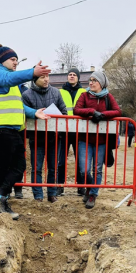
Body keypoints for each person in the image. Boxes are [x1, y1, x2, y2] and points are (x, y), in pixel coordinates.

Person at [0, 44, 50, 219]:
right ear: (3, 59)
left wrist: (34, 112)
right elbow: (6, 79)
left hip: (10, 128)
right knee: (5, 167)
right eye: (13, 59)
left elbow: (16, 104)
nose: (15, 63)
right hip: (0, 127)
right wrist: (32, 72)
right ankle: (1, 200)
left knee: (17, 166)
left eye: (16, 60)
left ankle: (0, 198)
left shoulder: (10, 78)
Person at [74, 71, 121, 209]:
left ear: (101, 83)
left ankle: (93, 194)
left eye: (95, 80)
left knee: (97, 169)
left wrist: (103, 115)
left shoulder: (108, 96)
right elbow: (76, 110)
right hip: (84, 139)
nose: (91, 82)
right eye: (90, 80)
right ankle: (89, 187)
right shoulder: (84, 95)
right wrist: (91, 112)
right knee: (84, 170)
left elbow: (118, 111)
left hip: (101, 141)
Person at [23, 73, 68, 203]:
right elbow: (25, 116)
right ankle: (38, 195)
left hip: (54, 137)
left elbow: (64, 112)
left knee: (53, 167)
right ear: (35, 79)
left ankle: (52, 194)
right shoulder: (27, 95)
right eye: (43, 77)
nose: (46, 79)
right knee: (36, 168)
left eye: (47, 76)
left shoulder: (56, 93)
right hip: (36, 138)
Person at [58, 68, 86, 196]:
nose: (72, 76)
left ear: (78, 78)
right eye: (70, 74)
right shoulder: (60, 92)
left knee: (80, 160)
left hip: (79, 131)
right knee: (61, 160)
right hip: (64, 130)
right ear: (67, 77)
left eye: (74, 75)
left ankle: (81, 186)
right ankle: (60, 185)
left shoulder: (84, 92)